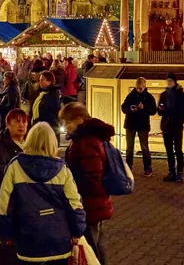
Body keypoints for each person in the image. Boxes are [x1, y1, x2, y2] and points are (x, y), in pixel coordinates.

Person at [0, 123, 86, 265]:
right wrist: (77, 231)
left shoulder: (15, 166)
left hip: (27, 238)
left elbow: (4, 205)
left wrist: (6, 234)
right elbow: (74, 204)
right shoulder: (62, 169)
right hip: (58, 239)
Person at [61, 102, 114, 265]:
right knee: (98, 245)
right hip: (96, 203)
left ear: (79, 120)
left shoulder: (85, 142)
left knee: (91, 249)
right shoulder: (87, 138)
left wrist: (73, 191)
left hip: (89, 204)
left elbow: (92, 178)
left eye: (68, 122)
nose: (65, 126)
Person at [121, 77, 157, 177]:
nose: (138, 89)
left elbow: (153, 111)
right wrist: (130, 109)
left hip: (143, 125)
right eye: (137, 87)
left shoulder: (149, 97)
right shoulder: (131, 95)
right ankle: (128, 168)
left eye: (140, 88)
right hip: (130, 124)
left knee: (144, 148)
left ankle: (148, 169)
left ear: (144, 87)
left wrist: (144, 107)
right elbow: (123, 108)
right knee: (129, 148)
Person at [158, 72, 184, 183]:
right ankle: (171, 172)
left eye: (170, 81)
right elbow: (159, 111)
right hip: (166, 126)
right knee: (169, 151)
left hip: (176, 126)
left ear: (174, 82)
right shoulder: (164, 95)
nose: (169, 83)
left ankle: (180, 172)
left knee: (178, 149)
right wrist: (161, 109)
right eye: (167, 81)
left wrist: (176, 117)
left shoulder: (181, 95)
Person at [0, 108, 28, 175]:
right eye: (17, 121)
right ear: (7, 125)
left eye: (24, 121)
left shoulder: (32, 145)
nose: (21, 125)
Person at [32, 71, 63, 140]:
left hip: (49, 128)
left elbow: (54, 112)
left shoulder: (52, 95)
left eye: (42, 80)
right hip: (42, 127)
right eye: (40, 80)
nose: (40, 82)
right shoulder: (43, 93)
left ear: (49, 81)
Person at [0, 71, 21, 135]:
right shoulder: (9, 88)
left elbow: (10, 105)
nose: (3, 80)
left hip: (7, 115)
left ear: (9, 80)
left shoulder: (12, 90)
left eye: (5, 78)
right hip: (5, 115)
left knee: (5, 132)